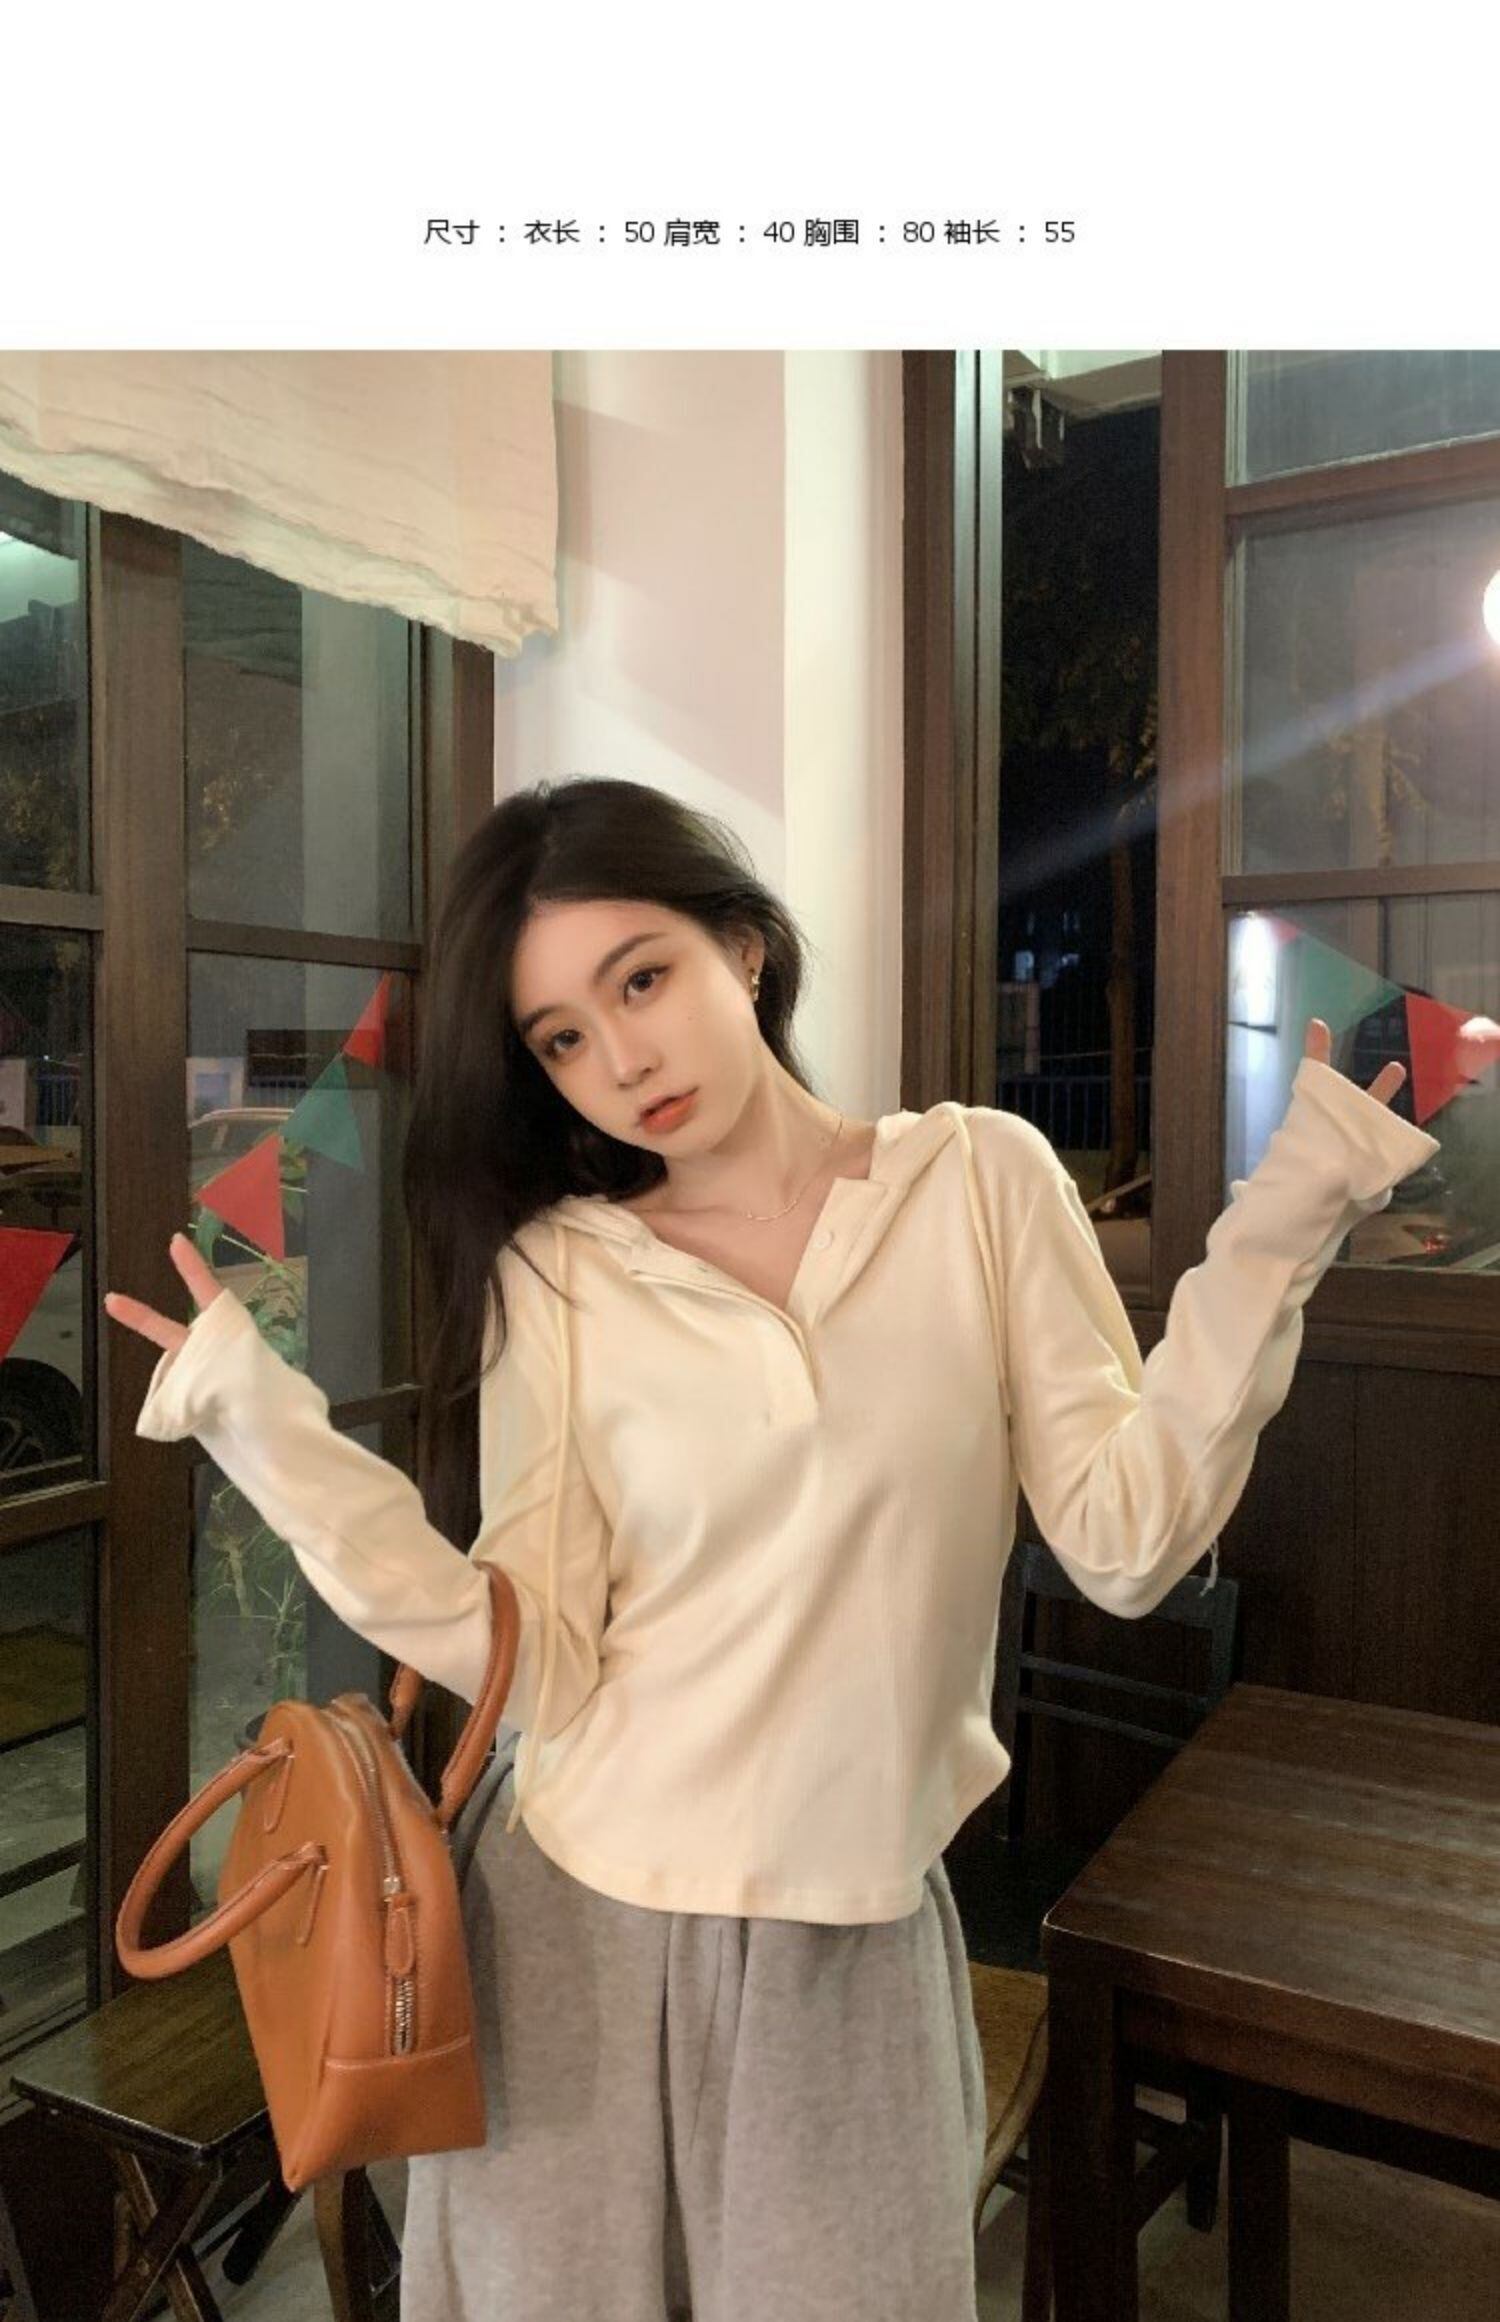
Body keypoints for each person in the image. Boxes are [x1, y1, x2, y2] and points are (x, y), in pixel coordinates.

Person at [103, 775, 1439, 2322]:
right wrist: (269, 1434)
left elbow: (1129, 1539)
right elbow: (538, 1657)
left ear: (741, 946)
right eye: (562, 1037)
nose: (623, 1060)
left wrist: (1288, 1218)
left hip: (846, 1936)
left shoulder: (980, 1183)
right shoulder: (562, 1273)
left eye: (641, 979)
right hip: (573, 1921)